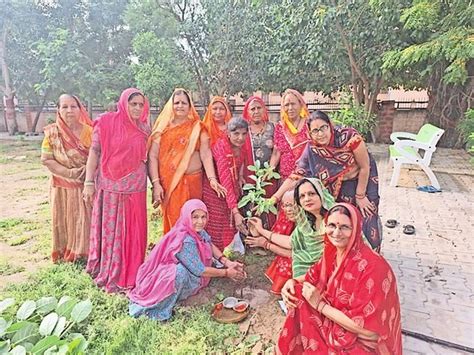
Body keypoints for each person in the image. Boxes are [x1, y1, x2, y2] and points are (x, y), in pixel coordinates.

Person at [278, 203, 402, 354]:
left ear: (355, 229)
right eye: (331, 225)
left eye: (344, 227)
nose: (336, 233)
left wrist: (320, 305)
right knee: (297, 292)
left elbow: (369, 332)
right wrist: (291, 282)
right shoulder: (333, 253)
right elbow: (312, 276)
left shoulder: (374, 268)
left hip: (362, 341)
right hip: (336, 322)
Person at [128, 199, 246, 321]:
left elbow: (209, 243)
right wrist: (226, 273)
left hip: (187, 271)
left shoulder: (195, 230)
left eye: (203, 217)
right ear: (187, 217)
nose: (200, 222)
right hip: (164, 279)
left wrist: (227, 262)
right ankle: (159, 310)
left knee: (183, 272)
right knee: (180, 273)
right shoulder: (185, 239)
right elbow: (200, 270)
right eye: (195, 217)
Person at [83, 88, 150, 293]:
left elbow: (149, 159)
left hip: (136, 189)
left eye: (141, 104)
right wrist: (88, 182)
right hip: (110, 187)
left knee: (134, 230)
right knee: (112, 231)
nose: (137, 108)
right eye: (133, 104)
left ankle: (132, 270)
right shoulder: (105, 123)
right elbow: (95, 152)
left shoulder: (145, 129)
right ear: (124, 103)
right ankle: (111, 268)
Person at [295, 110, 382, 249]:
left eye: (323, 128)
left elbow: (365, 167)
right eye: (315, 131)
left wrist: (360, 195)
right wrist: (276, 197)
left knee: (367, 217)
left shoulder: (349, 137)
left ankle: (370, 258)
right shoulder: (312, 148)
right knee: (342, 220)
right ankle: (346, 260)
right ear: (310, 133)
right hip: (337, 187)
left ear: (330, 125)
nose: (320, 134)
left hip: (363, 179)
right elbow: (297, 174)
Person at [148, 89, 225, 234]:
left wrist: (212, 179)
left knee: (194, 219)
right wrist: (156, 183)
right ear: (171, 105)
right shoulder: (162, 129)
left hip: (194, 182)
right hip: (170, 184)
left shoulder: (197, 127)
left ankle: (193, 252)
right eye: (176, 103)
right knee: (174, 220)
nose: (180, 106)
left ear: (190, 106)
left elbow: (206, 154)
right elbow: (153, 156)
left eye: (184, 103)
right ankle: (173, 253)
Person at [41, 94, 93, 263]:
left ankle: (85, 252)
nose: (69, 110)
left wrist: (88, 172)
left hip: (85, 184)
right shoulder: (52, 133)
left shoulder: (89, 132)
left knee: (84, 220)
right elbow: (46, 159)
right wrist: (70, 173)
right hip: (61, 186)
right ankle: (65, 251)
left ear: (80, 109)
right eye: (65, 107)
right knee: (64, 219)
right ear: (58, 110)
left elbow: (99, 156)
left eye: (73, 106)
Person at [208, 117, 250, 250]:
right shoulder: (221, 148)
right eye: (236, 134)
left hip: (230, 186)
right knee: (216, 221)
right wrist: (236, 212)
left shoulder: (241, 147)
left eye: (244, 134)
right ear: (228, 133)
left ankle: (230, 247)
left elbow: (242, 160)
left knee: (226, 218)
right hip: (215, 189)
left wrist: (241, 176)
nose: (240, 138)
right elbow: (225, 181)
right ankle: (213, 254)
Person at [246, 190, 296, 295]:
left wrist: (265, 243)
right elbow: (280, 241)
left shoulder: (307, 225)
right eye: (285, 206)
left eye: (292, 205)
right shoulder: (289, 220)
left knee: (286, 261)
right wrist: (258, 233)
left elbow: (291, 252)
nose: (288, 210)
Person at [201, 97, 234, 249]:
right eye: (214, 108)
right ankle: (210, 249)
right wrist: (213, 179)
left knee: (225, 213)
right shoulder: (204, 128)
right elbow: (206, 154)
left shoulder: (231, 129)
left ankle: (224, 248)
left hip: (229, 176)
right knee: (212, 214)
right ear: (209, 110)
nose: (218, 112)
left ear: (227, 110)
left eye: (221, 108)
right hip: (210, 179)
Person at [242, 96, 278, 228]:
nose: (256, 111)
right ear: (247, 112)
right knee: (251, 205)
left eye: (259, 108)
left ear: (264, 110)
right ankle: (251, 237)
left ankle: (269, 234)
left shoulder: (273, 128)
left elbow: (277, 150)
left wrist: (271, 169)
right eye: (252, 109)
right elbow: (240, 153)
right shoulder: (244, 130)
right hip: (250, 175)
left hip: (269, 175)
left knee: (269, 204)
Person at [291, 178, 335, 278]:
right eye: (302, 196)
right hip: (312, 274)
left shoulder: (337, 218)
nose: (307, 199)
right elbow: (296, 249)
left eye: (311, 194)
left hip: (337, 273)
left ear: (321, 194)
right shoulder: (304, 225)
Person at [270, 89, 310, 181]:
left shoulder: (309, 124)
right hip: (286, 178)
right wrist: (270, 170)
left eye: (293, 104)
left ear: (300, 104)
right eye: (287, 105)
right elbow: (276, 153)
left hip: (307, 176)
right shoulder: (280, 127)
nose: (290, 108)